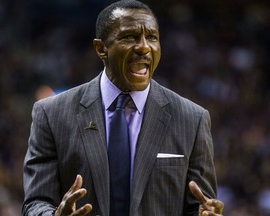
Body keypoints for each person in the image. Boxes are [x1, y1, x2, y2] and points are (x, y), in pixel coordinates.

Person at [22, 0, 224, 215]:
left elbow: (200, 207)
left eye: (152, 37)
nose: (144, 47)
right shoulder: (51, 114)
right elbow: (35, 203)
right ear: (101, 49)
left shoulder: (192, 119)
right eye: (130, 37)